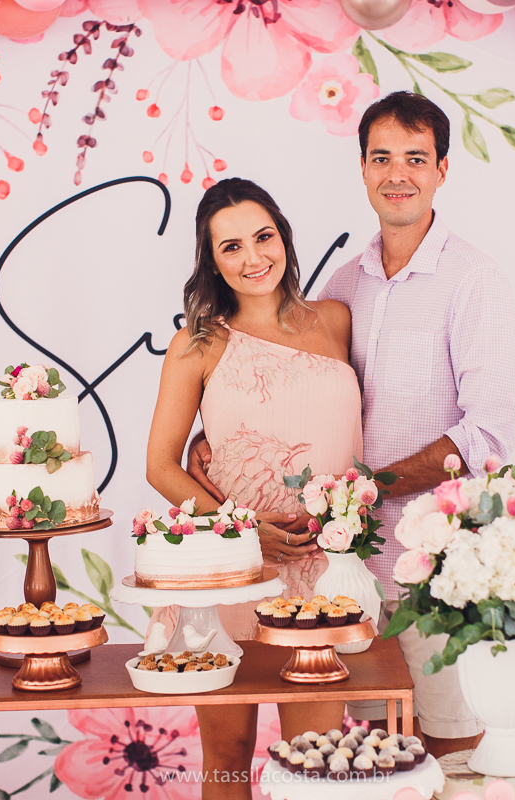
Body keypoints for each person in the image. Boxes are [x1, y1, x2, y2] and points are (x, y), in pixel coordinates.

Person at [189, 91, 515, 758]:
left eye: (415, 158)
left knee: (452, 746)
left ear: (442, 171)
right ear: (363, 169)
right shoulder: (344, 286)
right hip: (346, 574)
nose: (397, 173)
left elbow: (487, 432)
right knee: (372, 752)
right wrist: (212, 440)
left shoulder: (473, 280)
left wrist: (364, 489)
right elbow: (297, 393)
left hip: (438, 568)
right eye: (381, 158)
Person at [145, 178, 361, 799]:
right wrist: (242, 530)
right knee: (228, 755)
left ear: (285, 240)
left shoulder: (336, 321)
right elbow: (162, 465)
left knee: (317, 759)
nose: (252, 258)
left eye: (263, 237)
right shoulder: (198, 344)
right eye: (230, 247)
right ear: (211, 261)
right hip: (229, 569)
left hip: (325, 569)